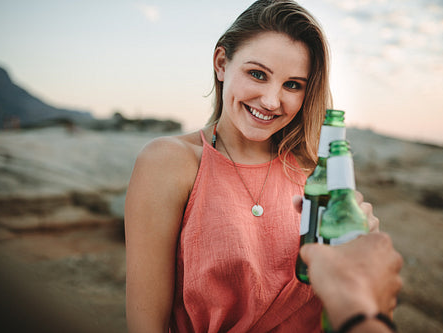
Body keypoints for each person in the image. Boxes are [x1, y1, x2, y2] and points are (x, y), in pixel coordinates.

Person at [125, 0, 380, 332]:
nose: (272, 101)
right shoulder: (170, 163)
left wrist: (360, 256)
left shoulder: (313, 172)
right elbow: (146, 324)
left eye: (293, 85)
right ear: (221, 64)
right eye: (257, 74)